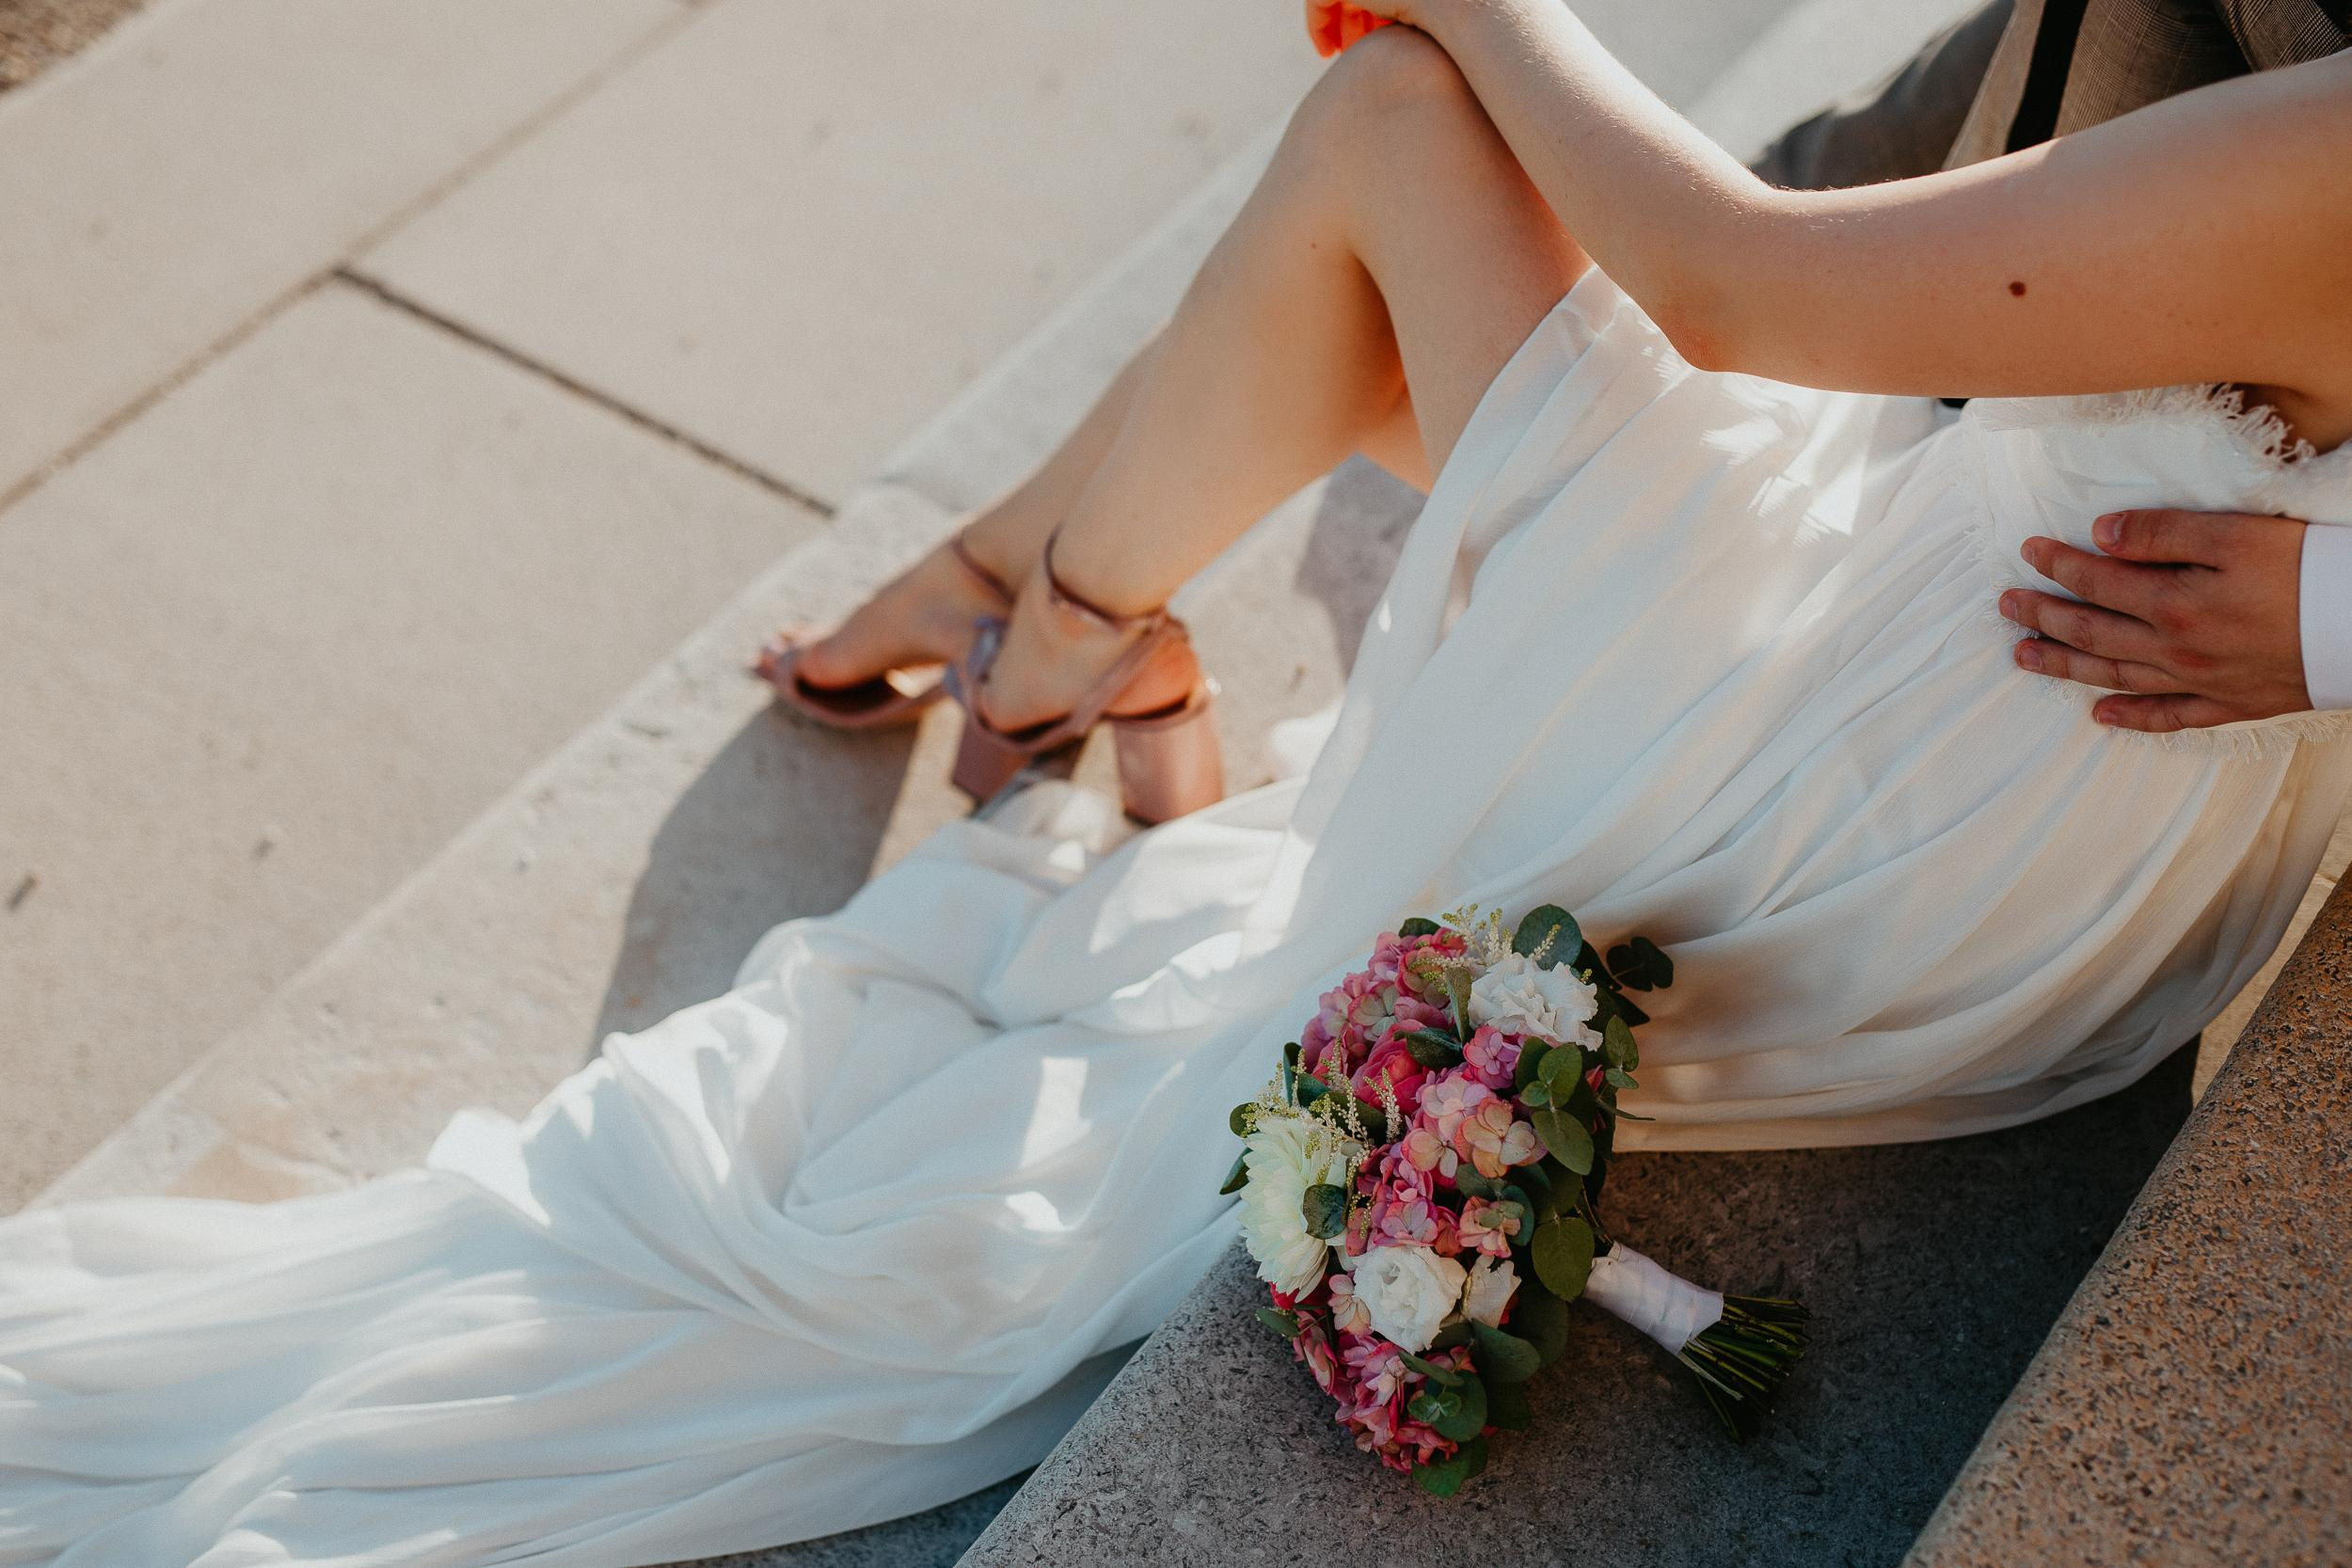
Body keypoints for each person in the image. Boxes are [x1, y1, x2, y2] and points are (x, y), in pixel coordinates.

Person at [6, 6, 2349, 1565]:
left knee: (1396, 119)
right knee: (1389, 241)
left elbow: (1738, 281)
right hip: (2055, 731)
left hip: (1921, 788)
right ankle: (1038, 601)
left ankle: (1045, 614)